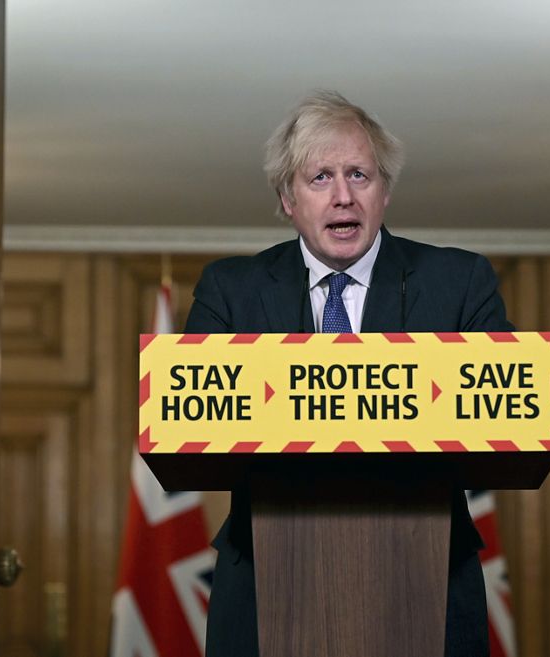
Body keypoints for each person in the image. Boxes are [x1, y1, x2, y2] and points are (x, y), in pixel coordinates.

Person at [185, 90, 513, 657]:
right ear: (287, 198)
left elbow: (509, 410)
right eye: (320, 178)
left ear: (385, 191)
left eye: (360, 175)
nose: (343, 197)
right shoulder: (229, 292)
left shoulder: (460, 284)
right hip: (265, 583)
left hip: (427, 577)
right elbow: (188, 418)